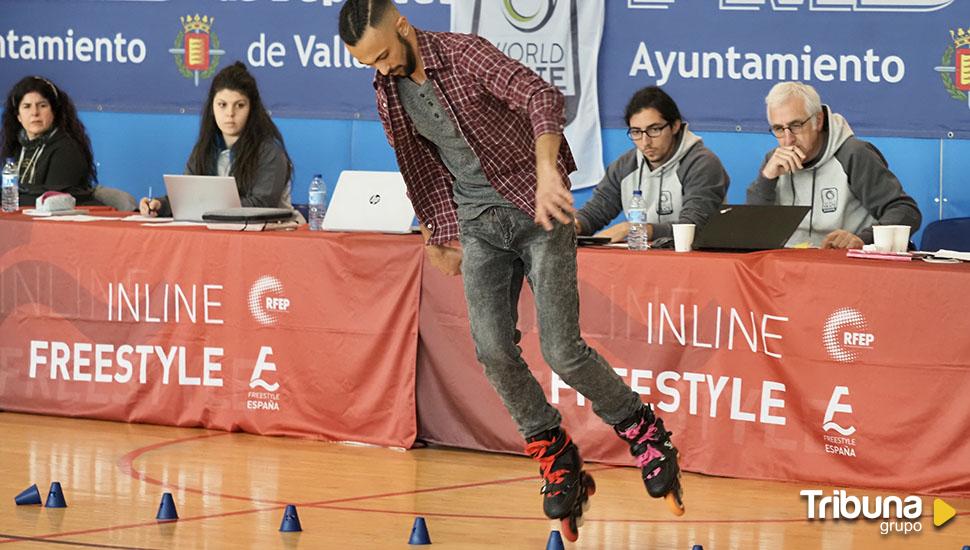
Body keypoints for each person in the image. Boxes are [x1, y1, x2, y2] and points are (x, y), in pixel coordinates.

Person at [338, 0, 684, 537]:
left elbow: (540, 96)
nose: (381, 70)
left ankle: (643, 431)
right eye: (369, 64)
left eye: (383, 55)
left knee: (562, 349)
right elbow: (421, 162)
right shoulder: (388, 89)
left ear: (402, 26)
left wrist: (549, 172)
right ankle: (554, 447)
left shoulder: (464, 53)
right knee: (493, 350)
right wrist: (441, 229)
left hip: (537, 205)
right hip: (476, 222)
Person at [747, 81, 921, 249]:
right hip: (791, 267)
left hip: (846, 266)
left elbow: (905, 212)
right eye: (778, 129)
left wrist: (861, 240)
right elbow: (753, 233)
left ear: (819, 120)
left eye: (796, 125)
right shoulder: (775, 161)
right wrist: (766, 179)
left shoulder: (852, 154)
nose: (788, 139)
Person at [575, 86, 729, 244]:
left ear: (675, 126)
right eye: (636, 132)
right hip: (644, 261)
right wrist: (576, 225)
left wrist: (635, 229)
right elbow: (595, 212)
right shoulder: (625, 166)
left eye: (654, 129)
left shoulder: (702, 164)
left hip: (695, 262)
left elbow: (692, 227)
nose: (645, 142)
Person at [140, 62, 294, 217]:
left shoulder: (270, 152)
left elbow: (262, 206)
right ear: (212, 107)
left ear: (252, 109)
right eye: (222, 105)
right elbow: (187, 197)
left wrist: (206, 206)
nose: (230, 113)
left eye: (239, 105)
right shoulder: (205, 149)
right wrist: (160, 205)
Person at [1, 76, 100, 206]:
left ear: (54, 111)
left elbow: (52, 201)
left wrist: (7, 199)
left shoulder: (67, 149)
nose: (35, 113)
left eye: (42, 106)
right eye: (27, 106)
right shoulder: (15, 146)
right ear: (18, 116)